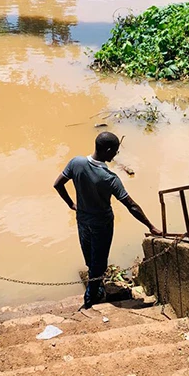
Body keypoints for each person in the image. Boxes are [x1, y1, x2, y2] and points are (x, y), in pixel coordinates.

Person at [54, 132, 162, 309]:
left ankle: (94, 282)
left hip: (82, 219)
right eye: (116, 151)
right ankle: (91, 298)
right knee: (100, 262)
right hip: (102, 224)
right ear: (108, 150)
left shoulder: (76, 162)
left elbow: (58, 184)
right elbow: (131, 206)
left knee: (89, 255)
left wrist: (71, 204)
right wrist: (151, 226)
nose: (115, 155)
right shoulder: (109, 178)